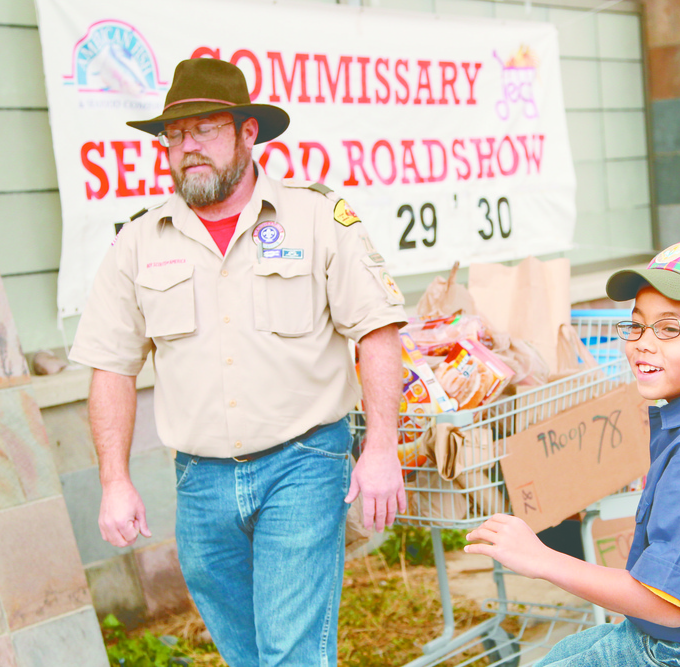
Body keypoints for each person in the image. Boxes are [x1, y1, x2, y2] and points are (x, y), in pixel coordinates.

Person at [68, 57, 408, 667]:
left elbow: (377, 330)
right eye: (175, 135)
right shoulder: (138, 243)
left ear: (248, 133)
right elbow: (111, 367)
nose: (187, 147)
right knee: (247, 656)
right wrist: (115, 480)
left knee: (290, 655)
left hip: (303, 463)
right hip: (200, 483)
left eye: (204, 129)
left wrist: (382, 444)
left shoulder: (316, 217)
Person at [466, 240, 680, 666]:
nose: (642, 343)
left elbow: (668, 605)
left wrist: (539, 558)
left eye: (669, 328)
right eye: (637, 326)